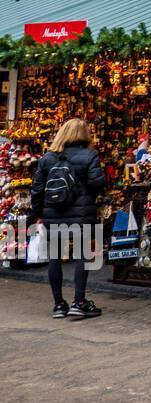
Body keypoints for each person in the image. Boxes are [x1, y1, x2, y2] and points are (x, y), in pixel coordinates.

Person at [32, 118, 106, 320]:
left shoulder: (47, 158)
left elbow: (37, 189)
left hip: (53, 213)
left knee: (55, 257)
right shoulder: (89, 155)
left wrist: (38, 214)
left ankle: (58, 305)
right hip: (81, 214)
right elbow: (97, 183)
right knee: (83, 255)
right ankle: (79, 302)